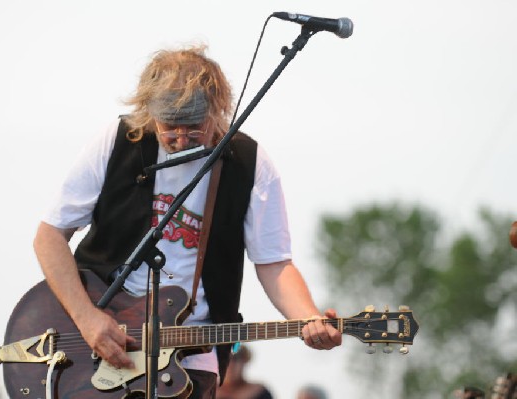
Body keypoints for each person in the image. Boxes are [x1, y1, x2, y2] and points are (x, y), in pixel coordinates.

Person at [33, 44, 342, 398]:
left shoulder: (249, 162)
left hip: (191, 352)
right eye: (170, 128)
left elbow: (274, 262)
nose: (181, 139)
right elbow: (49, 237)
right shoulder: (118, 141)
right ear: (149, 113)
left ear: (218, 110)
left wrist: (307, 317)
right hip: (102, 342)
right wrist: (87, 319)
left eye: (194, 127)